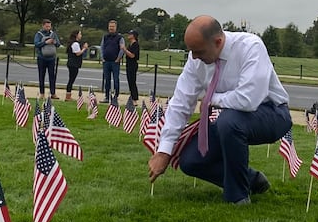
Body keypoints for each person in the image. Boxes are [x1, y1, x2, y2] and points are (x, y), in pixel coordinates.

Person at [148, 16, 292, 204]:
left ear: (218, 42)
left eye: (198, 51)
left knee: (229, 121)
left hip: (272, 113)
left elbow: (248, 99)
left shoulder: (250, 47)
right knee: (191, 162)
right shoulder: (196, 59)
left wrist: (210, 100)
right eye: (191, 51)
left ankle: (237, 197)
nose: (194, 57)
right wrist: (164, 151)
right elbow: (181, 102)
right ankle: (252, 181)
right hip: (227, 117)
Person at [34, 18, 60, 101]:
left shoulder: (53, 34)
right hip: (42, 57)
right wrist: (45, 42)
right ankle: (42, 93)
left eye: (49, 26)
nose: (48, 28)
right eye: (47, 26)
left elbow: (58, 44)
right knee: (41, 75)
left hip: (51, 58)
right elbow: (36, 44)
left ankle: (53, 93)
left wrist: (54, 42)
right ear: (43, 26)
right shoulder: (39, 34)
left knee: (52, 76)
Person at [101, 20, 125, 103]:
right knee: (107, 80)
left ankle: (115, 96)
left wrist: (118, 59)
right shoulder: (105, 37)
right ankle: (107, 97)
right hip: (106, 61)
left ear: (116, 27)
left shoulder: (120, 37)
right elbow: (102, 47)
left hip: (115, 62)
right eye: (110, 26)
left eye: (113, 26)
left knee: (116, 79)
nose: (111, 28)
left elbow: (122, 49)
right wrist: (102, 58)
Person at [65, 30, 89, 101]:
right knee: (71, 79)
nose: (81, 35)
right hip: (73, 64)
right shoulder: (75, 44)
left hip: (72, 63)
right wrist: (84, 48)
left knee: (71, 79)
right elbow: (78, 53)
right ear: (76, 35)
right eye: (80, 34)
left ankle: (68, 95)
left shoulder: (74, 43)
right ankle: (68, 96)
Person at [124, 29, 141, 109]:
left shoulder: (135, 45)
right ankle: (132, 96)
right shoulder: (130, 44)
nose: (128, 35)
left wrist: (124, 50)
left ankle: (135, 98)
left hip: (133, 64)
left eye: (130, 34)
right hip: (128, 64)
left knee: (132, 81)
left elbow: (132, 55)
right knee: (129, 81)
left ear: (133, 36)